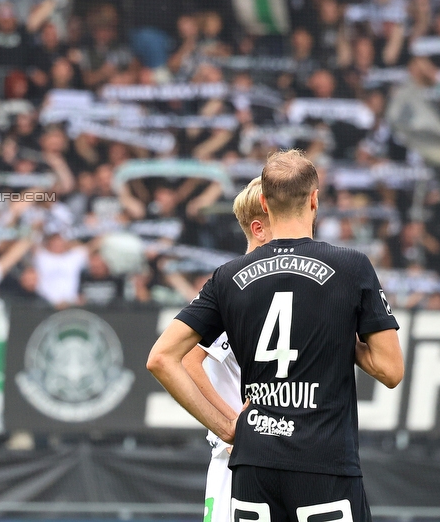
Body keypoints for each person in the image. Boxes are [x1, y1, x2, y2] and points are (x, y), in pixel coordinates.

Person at [147, 150, 404, 522]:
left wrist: (227, 427)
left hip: (254, 461)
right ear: (315, 200)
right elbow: (390, 370)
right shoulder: (351, 267)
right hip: (323, 459)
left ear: (264, 204)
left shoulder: (228, 276)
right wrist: (341, 333)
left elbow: (161, 358)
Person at [180, 177, 271, 522]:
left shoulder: (243, 282)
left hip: (255, 454)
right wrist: (228, 423)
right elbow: (188, 358)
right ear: (260, 227)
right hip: (238, 458)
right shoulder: (239, 286)